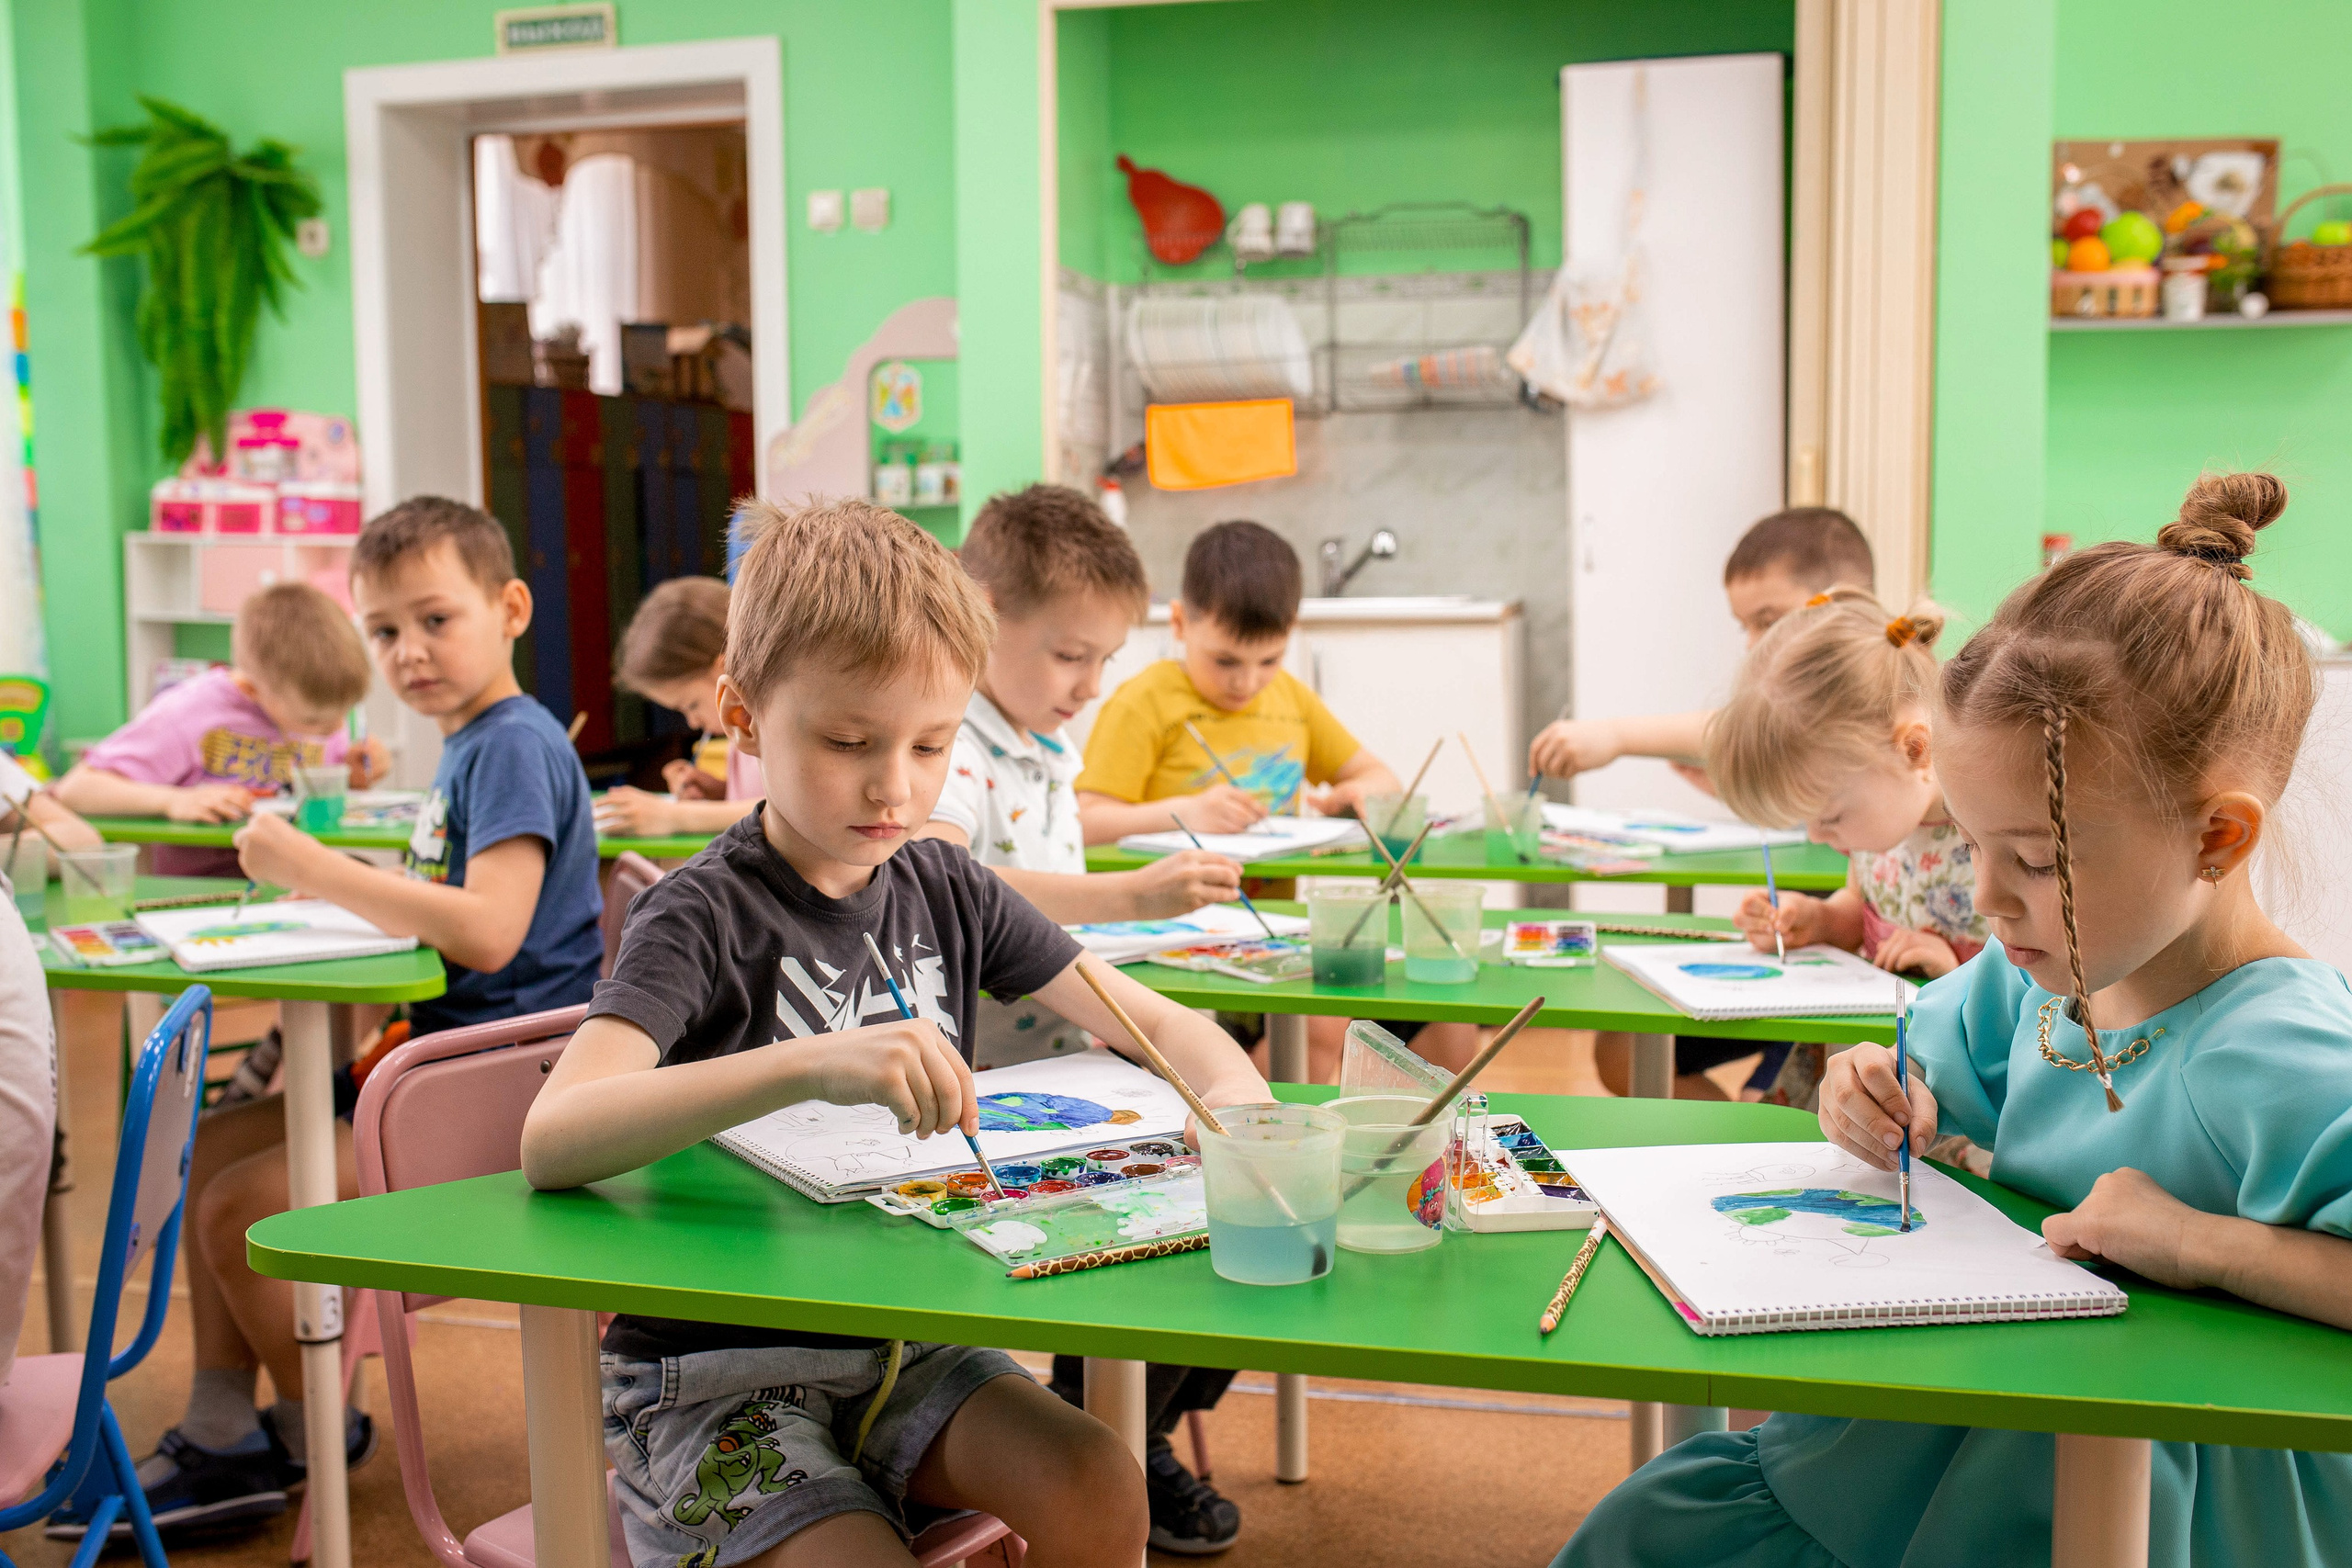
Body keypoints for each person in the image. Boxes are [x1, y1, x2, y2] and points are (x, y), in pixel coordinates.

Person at [1554, 471, 2352, 1567]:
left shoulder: (2283, 1047)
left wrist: (2198, 1245)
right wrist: (1866, 1094)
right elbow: (1914, 1066)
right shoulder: (2028, 979)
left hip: (2142, 1509)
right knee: (1644, 1535)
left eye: (2033, 860)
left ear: (2216, 838)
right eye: (1973, 845)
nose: (1984, 899)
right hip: (1953, 1439)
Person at [520, 497, 1266, 1568]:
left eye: (931, 744)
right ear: (741, 714)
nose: (896, 787)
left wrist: (1239, 1113)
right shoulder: (697, 915)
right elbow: (555, 1134)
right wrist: (809, 1064)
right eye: (847, 741)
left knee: (1099, 1478)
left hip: (909, 1346)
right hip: (716, 1377)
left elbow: (1164, 1026)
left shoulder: (942, 882)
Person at [55, 497, 606, 1540]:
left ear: (512, 608)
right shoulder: (473, 744)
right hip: (437, 1069)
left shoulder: (512, 745)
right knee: (207, 1152)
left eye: (436, 620)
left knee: (234, 1210)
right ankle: (224, 1437)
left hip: (490, 1093)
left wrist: (315, 868)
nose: (410, 653)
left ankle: (318, 1437)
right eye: (386, 631)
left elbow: (490, 932)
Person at [915, 483, 1246, 1554]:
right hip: (999, 1102)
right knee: (1180, 1263)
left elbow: (1035, 898)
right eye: (1069, 656)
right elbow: (952, 877)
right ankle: (1112, 1434)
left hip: (1075, 1069)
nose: (1091, 685)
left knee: (1250, 1221)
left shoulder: (1036, 744)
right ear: (977, 614)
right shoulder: (949, 745)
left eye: (1104, 659)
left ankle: (1122, 1424)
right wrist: (1128, 897)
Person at [1526, 506, 1875, 1101]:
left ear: (1844, 602)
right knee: (1626, 1049)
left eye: (1767, 619)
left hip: (1855, 985)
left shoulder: (1868, 689)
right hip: (1808, 941)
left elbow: (1724, 729)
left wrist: (1612, 737)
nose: (1753, 644)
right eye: (1745, 624)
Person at [1704, 589, 1991, 1130]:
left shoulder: (1991, 834)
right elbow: (1859, 912)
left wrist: (1954, 975)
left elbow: (2039, 992)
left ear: (1914, 750)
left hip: (1949, 1083)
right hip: (1859, 1058)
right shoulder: (1880, 831)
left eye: (1830, 816)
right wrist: (1816, 920)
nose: (1817, 835)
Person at [1076, 519, 1401, 840]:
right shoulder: (1143, 702)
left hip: (1272, 896)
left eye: (1269, 660)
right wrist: (1185, 815)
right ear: (1179, 623)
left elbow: (1383, 778)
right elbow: (1086, 823)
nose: (1247, 683)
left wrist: (1361, 792)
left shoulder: (1291, 699)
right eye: (1225, 661)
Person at [55, 582, 387, 876]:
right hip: (209, 884)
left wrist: (356, 773)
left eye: (345, 713)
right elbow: (77, 789)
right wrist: (173, 801)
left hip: (297, 873)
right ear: (253, 690)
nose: (332, 730)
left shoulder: (313, 703)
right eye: (313, 723)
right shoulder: (189, 712)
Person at [594, 576, 762, 840]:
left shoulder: (773, 726)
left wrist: (673, 816)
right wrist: (717, 791)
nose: (693, 722)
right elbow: (761, 801)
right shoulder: (743, 724)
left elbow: (790, 815)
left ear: (724, 667)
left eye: (691, 705)